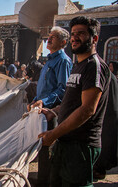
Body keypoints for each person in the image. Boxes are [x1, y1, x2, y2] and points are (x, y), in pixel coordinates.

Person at [38, 16, 111, 187]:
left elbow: (87, 110)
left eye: (81, 34)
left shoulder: (94, 66)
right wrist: (53, 112)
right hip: (66, 141)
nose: (74, 37)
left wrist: (53, 134)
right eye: (73, 33)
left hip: (81, 145)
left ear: (94, 39)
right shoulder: (78, 64)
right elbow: (71, 101)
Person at [27, 26, 72, 185]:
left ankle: (45, 181)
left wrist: (44, 102)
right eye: (50, 36)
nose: (49, 39)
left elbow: (62, 89)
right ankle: (42, 177)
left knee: (47, 146)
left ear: (63, 42)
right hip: (41, 108)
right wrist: (36, 100)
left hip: (51, 111)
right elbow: (45, 85)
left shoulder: (63, 61)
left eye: (53, 37)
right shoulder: (49, 59)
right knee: (40, 144)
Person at [93, 62, 118, 179]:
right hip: (109, 113)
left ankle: (99, 169)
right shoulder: (109, 76)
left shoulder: (103, 74)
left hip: (106, 114)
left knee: (104, 143)